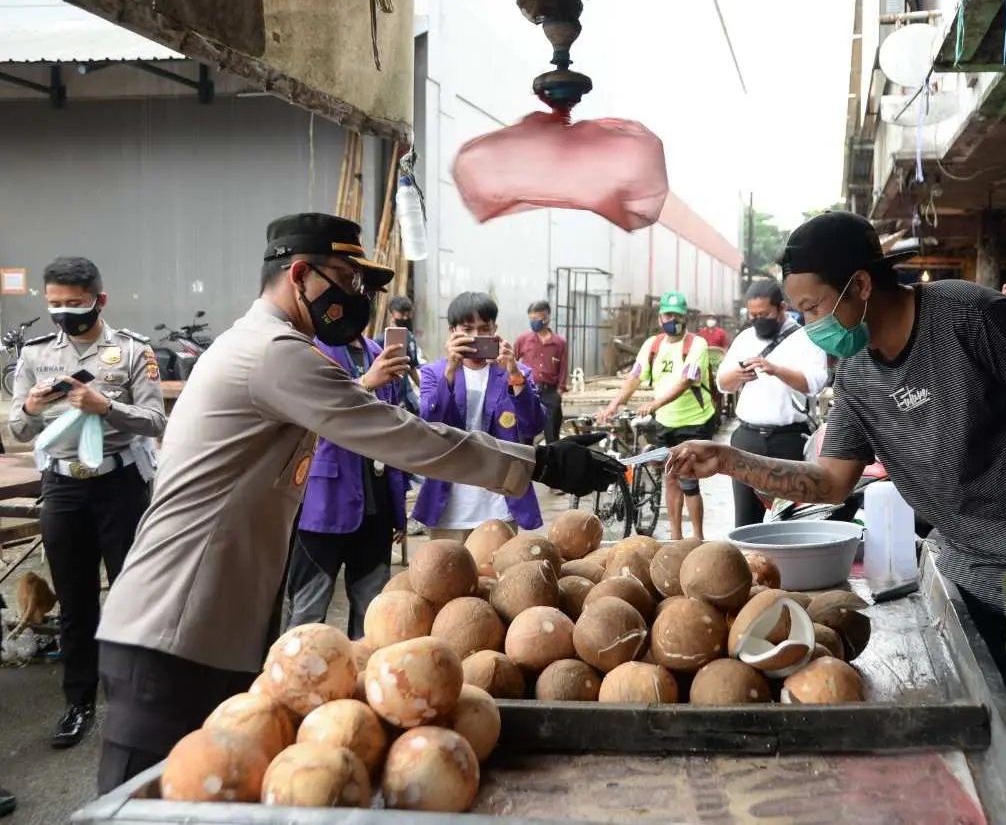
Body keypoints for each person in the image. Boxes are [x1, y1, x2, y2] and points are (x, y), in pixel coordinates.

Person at [93, 213, 623, 792]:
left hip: (210, 626)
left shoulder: (270, 347)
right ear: (299, 275)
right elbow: (404, 435)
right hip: (173, 629)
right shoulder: (273, 353)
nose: (359, 297)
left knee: (212, 799)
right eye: (346, 278)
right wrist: (538, 463)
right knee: (141, 800)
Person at [668, 211, 1006, 664]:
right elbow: (832, 482)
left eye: (813, 308)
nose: (809, 326)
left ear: (858, 285)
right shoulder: (856, 376)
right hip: (970, 577)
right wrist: (730, 460)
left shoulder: (974, 317)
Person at [8, 256, 166, 750]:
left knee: (130, 594)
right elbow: (15, 428)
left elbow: (157, 420)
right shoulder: (34, 355)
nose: (63, 313)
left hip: (119, 486)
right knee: (75, 601)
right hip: (62, 488)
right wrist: (32, 407)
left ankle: (137, 700)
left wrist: (108, 406)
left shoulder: (132, 351)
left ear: (99, 300)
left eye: (73, 304)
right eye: (54, 304)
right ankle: (78, 702)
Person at [285, 331, 409, 640]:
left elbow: (393, 426)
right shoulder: (310, 350)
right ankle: (294, 683)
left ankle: (360, 684)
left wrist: (397, 507)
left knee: (372, 614)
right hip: (323, 505)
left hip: (376, 506)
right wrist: (366, 382)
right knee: (307, 612)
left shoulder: (378, 350)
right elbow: (306, 415)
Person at [414, 292, 546, 540]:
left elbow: (534, 425)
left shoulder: (518, 373)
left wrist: (514, 374)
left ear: (495, 329)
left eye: (484, 328)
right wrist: (451, 371)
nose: (477, 336)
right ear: (452, 331)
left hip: (500, 505)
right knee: (446, 576)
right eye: (468, 329)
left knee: (500, 576)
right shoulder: (434, 373)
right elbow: (429, 426)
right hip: (450, 507)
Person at [600, 291, 716, 540]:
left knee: (688, 480)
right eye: (667, 314)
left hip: (694, 422)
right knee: (670, 476)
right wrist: (614, 405)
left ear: (685, 318)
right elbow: (634, 377)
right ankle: (675, 537)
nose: (671, 319)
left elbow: (686, 381)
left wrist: (654, 404)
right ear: (660, 316)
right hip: (666, 422)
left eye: (676, 315)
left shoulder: (696, 344)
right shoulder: (653, 345)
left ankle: (697, 537)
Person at [717, 279, 829, 527]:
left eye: (764, 314)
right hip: (747, 439)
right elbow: (722, 383)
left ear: (781, 309)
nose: (758, 320)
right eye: (753, 315)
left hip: (789, 442)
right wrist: (738, 375)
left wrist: (776, 369)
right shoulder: (745, 338)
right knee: (746, 523)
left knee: (792, 524)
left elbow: (816, 382)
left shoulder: (805, 338)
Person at [513, 300, 568, 444]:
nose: (533, 322)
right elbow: (511, 362)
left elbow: (563, 367)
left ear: (546, 318)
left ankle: (552, 466)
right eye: (531, 319)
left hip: (550, 393)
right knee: (525, 435)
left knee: (552, 437)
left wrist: (560, 391)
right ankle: (527, 465)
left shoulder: (559, 343)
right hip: (529, 390)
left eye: (536, 319)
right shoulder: (523, 340)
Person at [385, 294, 421, 413]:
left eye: (408, 314)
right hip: (387, 396)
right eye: (401, 314)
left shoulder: (410, 338)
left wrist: (424, 388)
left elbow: (412, 368)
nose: (405, 318)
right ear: (392, 315)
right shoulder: (379, 342)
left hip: (406, 396)